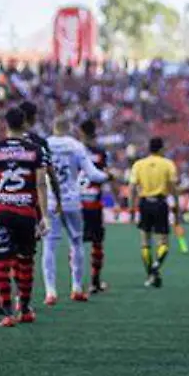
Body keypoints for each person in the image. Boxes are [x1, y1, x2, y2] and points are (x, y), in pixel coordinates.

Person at [0, 107, 51, 327]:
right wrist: (44, 216)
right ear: (25, 124)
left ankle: (8, 313)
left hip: (2, 212)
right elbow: (41, 184)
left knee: (2, 262)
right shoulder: (35, 150)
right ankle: (26, 308)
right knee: (25, 261)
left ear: (6, 124)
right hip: (26, 213)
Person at [44, 114, 108, 304]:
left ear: (53, 127)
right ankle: (77, 288)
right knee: (77, 243)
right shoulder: (76, 146)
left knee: (49, 246)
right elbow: (93, 174)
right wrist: (109, 177)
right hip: (71, 201)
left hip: (50, 202)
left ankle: (50, 292)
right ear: (69, 128)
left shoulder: (45, 144)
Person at [128, 137, 180, 288]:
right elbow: (173, 188)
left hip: (144, 203)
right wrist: (176, 206)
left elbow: (132, 188)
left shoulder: (139, 164)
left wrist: (132, 209)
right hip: (160, 203)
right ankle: (156, 267)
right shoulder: (168, 164)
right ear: (161, 149)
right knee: (163, 242)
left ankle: (150, 274)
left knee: (145, 242)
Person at [78, 119, 114, 293]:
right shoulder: (100, 153)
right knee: (97, 243)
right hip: (94, 204)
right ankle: (95, 282)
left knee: (75, 243)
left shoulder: (74, 150)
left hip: (76, 204)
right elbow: (106, 175)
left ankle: (76, 284)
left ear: (80, 132)